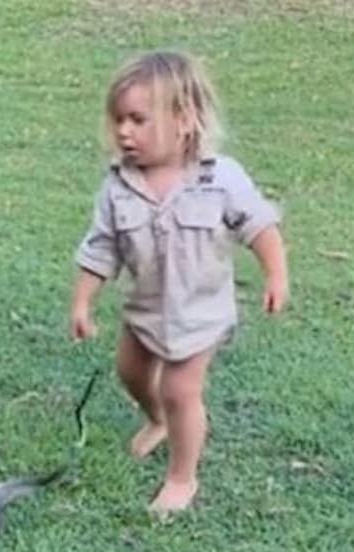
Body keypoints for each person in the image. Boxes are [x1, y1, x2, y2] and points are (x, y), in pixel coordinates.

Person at [68, 50, 289, 513]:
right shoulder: (118, 187)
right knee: (130, 371)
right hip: (146, 309)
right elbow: (100, 249)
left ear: (184, 119)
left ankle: (182, 478)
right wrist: (82, 303)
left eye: (137, 119)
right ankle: (158, 421)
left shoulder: (219, 178)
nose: (124, 131)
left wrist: (275, 273)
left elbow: (259, 226)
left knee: (180, 390)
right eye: (118, 120)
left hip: (199, 313)